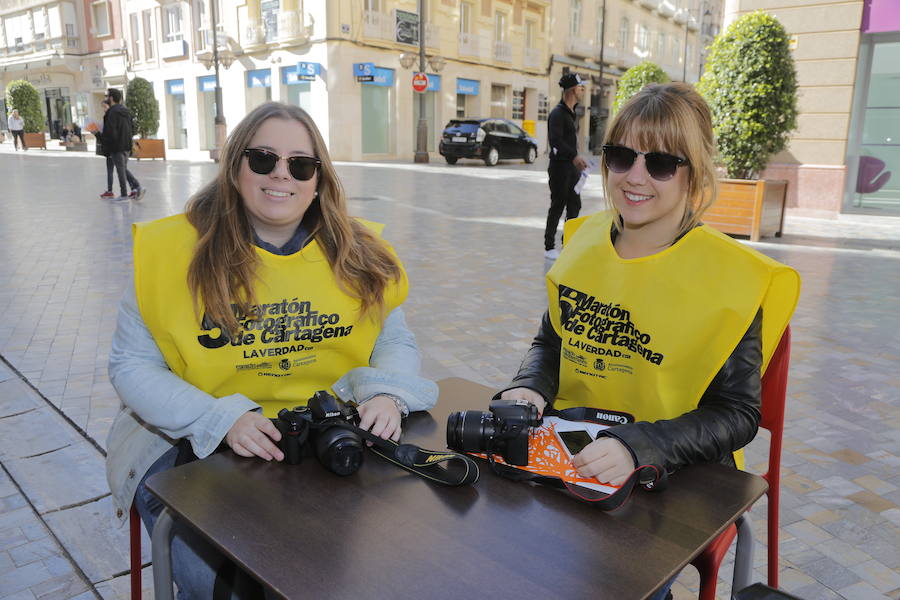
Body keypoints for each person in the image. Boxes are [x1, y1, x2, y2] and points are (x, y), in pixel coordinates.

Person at [105, 101, 438, 598]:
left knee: (381, 563)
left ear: (319, 179)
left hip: (322, 441)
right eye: (263, 159)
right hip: (189, 448)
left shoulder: (361, 254)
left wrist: (388, 394)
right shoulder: (170, 253)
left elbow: (393, 339)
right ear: (236, 165)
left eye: (300, 164)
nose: (281, 175)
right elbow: (131, 365)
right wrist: (217, 420)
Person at [498, 83, 799, 599]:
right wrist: (529, 387)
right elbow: (552, 342)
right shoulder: (584, 239)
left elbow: (737, 414)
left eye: (661, 163)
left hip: (671, 478)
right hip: (570, 451)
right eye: (620, 157)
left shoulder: (732, 276)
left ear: (695, 174)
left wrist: (640, 447)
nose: (635, 178)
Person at [544, 73, 589, 261]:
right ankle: (549, 247)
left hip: (572, 169)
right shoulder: (557, 114)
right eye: (580, 87)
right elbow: (555, 142)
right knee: (557, 205)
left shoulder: (572, 113)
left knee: (574, 205)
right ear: (572, 90)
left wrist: (577, 159)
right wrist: (574, 156)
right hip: (560, 168)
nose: (583, 90)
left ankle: (567, 242)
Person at [102, 88, 144, 201]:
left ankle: (128, 192)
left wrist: (107, 143)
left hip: (116, 146)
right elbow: (133, 129)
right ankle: (135, 188)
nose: (106, 99)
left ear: (111, 98)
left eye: (107, 97)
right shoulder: (127, 111)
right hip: (127, 145)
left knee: (121, 170)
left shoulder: (111, 112)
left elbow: (110, 131)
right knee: (122, 168)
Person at [92, 100, 117, 199]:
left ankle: (134, 187)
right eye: (103, 107)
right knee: (114, 170)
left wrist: (97, 134)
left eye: (105, 107)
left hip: (113, 148)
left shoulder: (110, 118)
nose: (104, 109)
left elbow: (108, 135)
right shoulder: (110, 117)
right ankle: (110, 190)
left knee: (121, 171)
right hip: (112, 148)